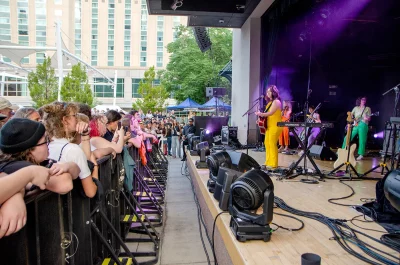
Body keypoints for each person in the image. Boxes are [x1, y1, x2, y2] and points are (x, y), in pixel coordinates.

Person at [43, 101, 99, 198]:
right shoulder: (72, 149)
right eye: (75, 115)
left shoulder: (45, 146)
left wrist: (84, 134)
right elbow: (91, 192)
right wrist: (96, 169)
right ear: (65, 120)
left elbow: (83, 161)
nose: (78, 119)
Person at [255, 85, 283, 169]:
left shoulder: (276, 102)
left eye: (269, 91)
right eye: (267, 92)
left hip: (275, 125)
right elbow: (268, 116)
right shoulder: (270, 102)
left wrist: (261, 114)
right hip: (269, 126)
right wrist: (260, 120)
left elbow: (270, 113)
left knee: (272, 143)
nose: (267, 93)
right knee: (267, 143)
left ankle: (273, 163)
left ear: (274, 92)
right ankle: (268, 161)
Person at [342, 96, 371, 161]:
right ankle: (343, 150)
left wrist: (367, 118)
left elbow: (369, 118)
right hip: (356, 124)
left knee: (362, 140)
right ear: (359, 100)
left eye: (365, 100)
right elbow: (351, 116)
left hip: (363, 124)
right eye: (362, 100)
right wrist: (349, 123)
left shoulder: (367, 108)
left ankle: (361, 155)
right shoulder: (355, 108)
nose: (364, 101)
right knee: (347, 137)